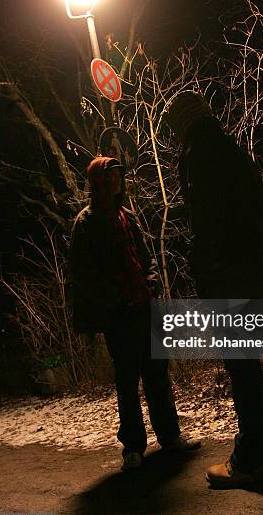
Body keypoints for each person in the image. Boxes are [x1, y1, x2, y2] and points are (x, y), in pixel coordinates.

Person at [165, 91, 263, 489]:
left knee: (244, 367)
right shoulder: (230, 148)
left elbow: (207, 227)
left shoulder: (198, 157)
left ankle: (252, 458)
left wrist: (208, 277)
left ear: (183, 124)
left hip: (229, 280)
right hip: (256, 273)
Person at [69, 156, 200, 471]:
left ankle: (170, 437)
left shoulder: (128, 215)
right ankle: (133, 447)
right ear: (98, 182)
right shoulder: (86, 222)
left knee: (157, 376)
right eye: (110, 176)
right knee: (128, 382)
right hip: (120, 314)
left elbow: (146, 256)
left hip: (145, 307)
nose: (116, 181)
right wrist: (114, 299)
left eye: (118, 175)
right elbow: (82, 273)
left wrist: (151, 284)